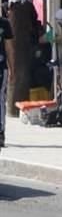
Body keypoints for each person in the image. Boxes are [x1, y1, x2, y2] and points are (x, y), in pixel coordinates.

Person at [0, 9, 13, 147]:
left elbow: (9, 47)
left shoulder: (4, 23)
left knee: (0, 100)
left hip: (1, 66)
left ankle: (1, 132)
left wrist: (11, 67)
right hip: (2, 65)